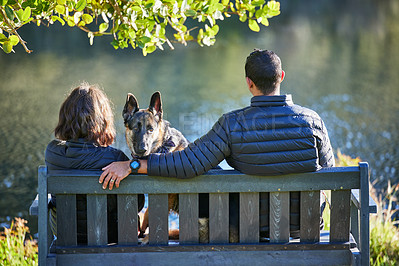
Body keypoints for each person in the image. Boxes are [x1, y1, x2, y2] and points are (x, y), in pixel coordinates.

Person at [99, 49, 335, 238]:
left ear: (248, 82)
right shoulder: (313, 121)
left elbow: (188, 163)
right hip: (306, 229)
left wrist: (132, 166)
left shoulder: (232, 124)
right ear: (281, 77)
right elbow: (331, 175)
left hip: (249, 229)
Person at [45, 82, 144, 244]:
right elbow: (136, 203)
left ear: (65, 117)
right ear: (102, 120)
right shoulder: (116, 158)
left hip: (66, 236)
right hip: (110, 237)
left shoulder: (52, 152)